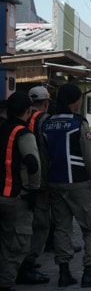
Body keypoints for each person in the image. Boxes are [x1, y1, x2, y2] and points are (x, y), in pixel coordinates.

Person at [42, 83, 91, 287]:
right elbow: (90, 158)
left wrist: (46, 185)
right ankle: (90, 271)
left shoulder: (47, 123)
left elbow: (44, 157)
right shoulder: (78, 123)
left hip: (55, 183)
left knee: (62, 228)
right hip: (78, 183)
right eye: (80, 98)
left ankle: (64, 272)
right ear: (75, 101)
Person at [0, 92, 40, 291]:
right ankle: (6, 284)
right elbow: (33, 164)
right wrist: (33, 191)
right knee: (16, 245)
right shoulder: (23, 134)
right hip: (14, 197)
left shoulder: (2, 128)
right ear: (27, 111)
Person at [16, 87, 53, 285]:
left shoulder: (21, 121)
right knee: (40, 224)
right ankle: (27, 265)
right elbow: (45, 154)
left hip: (20, 179)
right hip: (38, 178)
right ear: (46, 102)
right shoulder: (44, 120)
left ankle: (24, 261)